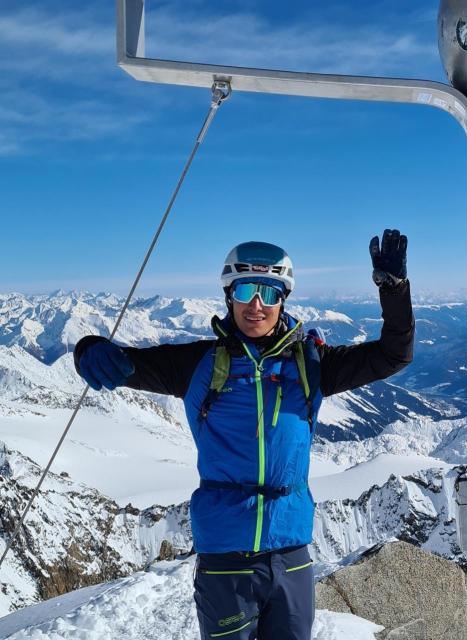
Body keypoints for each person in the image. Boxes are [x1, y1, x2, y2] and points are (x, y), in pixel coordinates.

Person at [73, 229, 413, 640]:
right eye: (246, 291)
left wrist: (394, 292)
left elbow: (394, 355)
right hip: (225, 559)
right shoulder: (196, 363)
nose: (257, 305)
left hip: (291, 555)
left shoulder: (311, 363)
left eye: (269, 293)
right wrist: (88, 348)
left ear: (282, 299)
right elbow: (125, 363)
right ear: (229, 295)